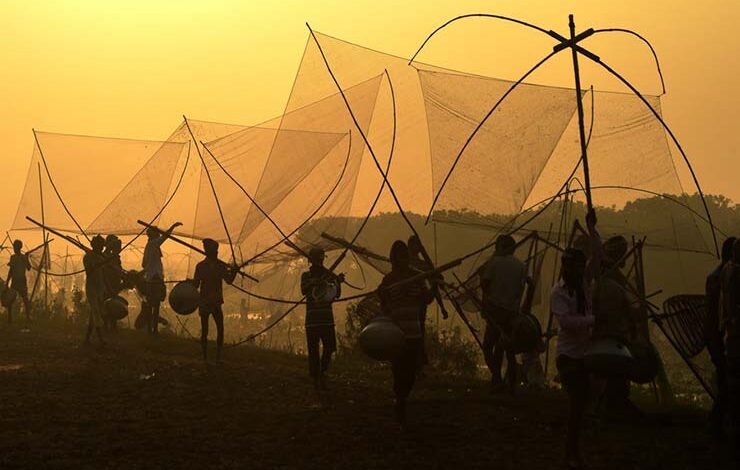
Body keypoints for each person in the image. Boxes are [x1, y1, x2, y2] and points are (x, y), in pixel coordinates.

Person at [378, 240, 433, 427]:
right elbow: (384, 305)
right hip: (395, 333)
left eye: (404, 257)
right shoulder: (388, 280)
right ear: (393, 259)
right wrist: (383, 296)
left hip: (414, 332)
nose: (401, 260)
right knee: (398, 371)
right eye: (398, 257)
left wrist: (433, 284)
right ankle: (400, 402)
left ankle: (402, 399)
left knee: (410, 373)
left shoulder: (417, 277)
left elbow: (427, 299)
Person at [480, 234, 529, 392]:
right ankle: (511, 384)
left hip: (496, 310)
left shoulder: (495, 263)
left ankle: (497, 378)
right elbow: (525, 285)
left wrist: (485, 304)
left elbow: (485, 284)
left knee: (488, 346)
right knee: (507, 348)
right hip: (512, 312)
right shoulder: (521, 266)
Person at [300, 247, 343, 389]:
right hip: (312, 320)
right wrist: (315, 282)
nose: (320, 260)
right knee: (313, 350)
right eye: (317, 258)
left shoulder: (329, 275)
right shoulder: (306, 276)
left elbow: (337, 294)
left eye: (321, 258)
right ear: (311, 260)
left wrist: (338, 282)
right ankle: (315, 377)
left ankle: (323, 371)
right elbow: (304, 289)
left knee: (329, 347)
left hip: (327, 319)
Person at [706, 236, 736, 437]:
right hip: (721, 334)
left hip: (716, 333)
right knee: (727, 380)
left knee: (726, 379)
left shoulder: (717, 275)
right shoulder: (724, 277)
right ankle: (718, 422)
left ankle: (719, 421)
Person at [192, 238, 237, 362]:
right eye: (214, 251)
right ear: (210, 251)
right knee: (207, 330)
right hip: (207, 302)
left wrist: (234, 272)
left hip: (214, 302)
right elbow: (196, 284)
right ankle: (207, 357)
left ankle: (216, 357)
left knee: (219, 329)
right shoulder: (205, 266)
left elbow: (228, 280)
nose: (216, 253)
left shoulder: (215, 266)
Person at [407, 235, 447, 372]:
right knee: (407, 335)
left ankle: (418, 366)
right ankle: (409, 365)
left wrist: (442, 308)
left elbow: (434, 287)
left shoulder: (424, 266)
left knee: (418, 334)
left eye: (416, 246)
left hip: (419, 304)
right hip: (405, 305)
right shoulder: (404, 264)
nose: (414, 249)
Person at [142, 222, 181, 335]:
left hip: (150, 279)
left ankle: (151, 329)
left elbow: (143, 264)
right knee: (156, 306)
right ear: (154, 235)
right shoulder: (153, 244)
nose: (159, 235)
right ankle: (153, 330)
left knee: (151, 305)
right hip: (155, 279)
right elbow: (165, 236)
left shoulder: (149, 246)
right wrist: (172, 226)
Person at [83, 235, 107, 346]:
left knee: (94, 313)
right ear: (96, 246)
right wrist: (99, 263)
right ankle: (101, 338)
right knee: (96, 311)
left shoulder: (101, 257)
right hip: (91, 287)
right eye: (101, 246)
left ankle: (87, 338)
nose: (102, 248)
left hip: (100, 287)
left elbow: (103, 274)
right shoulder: (88, 257)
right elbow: (89, 272)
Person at [5, 240, 33, 323]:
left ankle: (28, 317)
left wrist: (26, 258)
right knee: (10, 299)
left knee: (25, 299)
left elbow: (28, 268)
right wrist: (7, 281)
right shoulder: (13, 257)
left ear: (19, 247)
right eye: (14, 247)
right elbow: (11, 270)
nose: (14, 248)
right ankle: (10, 318)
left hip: (22, 281)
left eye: (15, 247)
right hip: (15, 281)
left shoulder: (24, 257)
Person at [102, 234, 124, 331]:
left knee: (113, 304)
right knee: (106, 304)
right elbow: (104, 257)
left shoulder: (116, 258)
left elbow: (119, 270)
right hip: (107, 283)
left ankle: (113, 326)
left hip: (115, 283)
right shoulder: (106, 256)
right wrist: (109, 247)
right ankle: (105, 326)